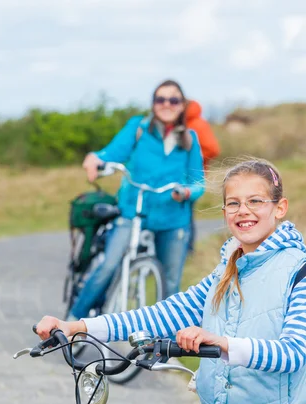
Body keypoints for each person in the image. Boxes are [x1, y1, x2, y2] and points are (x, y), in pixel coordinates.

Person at [37, 158, 306, 404]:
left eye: (256, 201)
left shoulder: (302, 272)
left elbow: (292, 354)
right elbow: (165, 314)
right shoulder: (226, 270)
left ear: (280, 208)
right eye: (233, 203)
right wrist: (78, 326)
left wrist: (222, 342)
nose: (244, 211)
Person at [68, 79, 206, 320]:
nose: (166, 104)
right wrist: (96, 159)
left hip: (173, 218)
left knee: (170, 282)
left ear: (182, 105)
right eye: (160, 99)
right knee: (108, 266)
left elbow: (198, 182)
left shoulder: (190, 139)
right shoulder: (138, 128)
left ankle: (164, 341)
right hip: (133, 211)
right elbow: (112, 153)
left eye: (173, 100)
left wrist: (185, 192)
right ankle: (72, 322)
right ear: (153, 104)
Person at [185, 99, 220, 253]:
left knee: (187, 213)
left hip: (192, 176)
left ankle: (188, 249)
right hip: (183, 176)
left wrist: (194, 158)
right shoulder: (185, 124)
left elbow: (212, 149)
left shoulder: (198, 124)